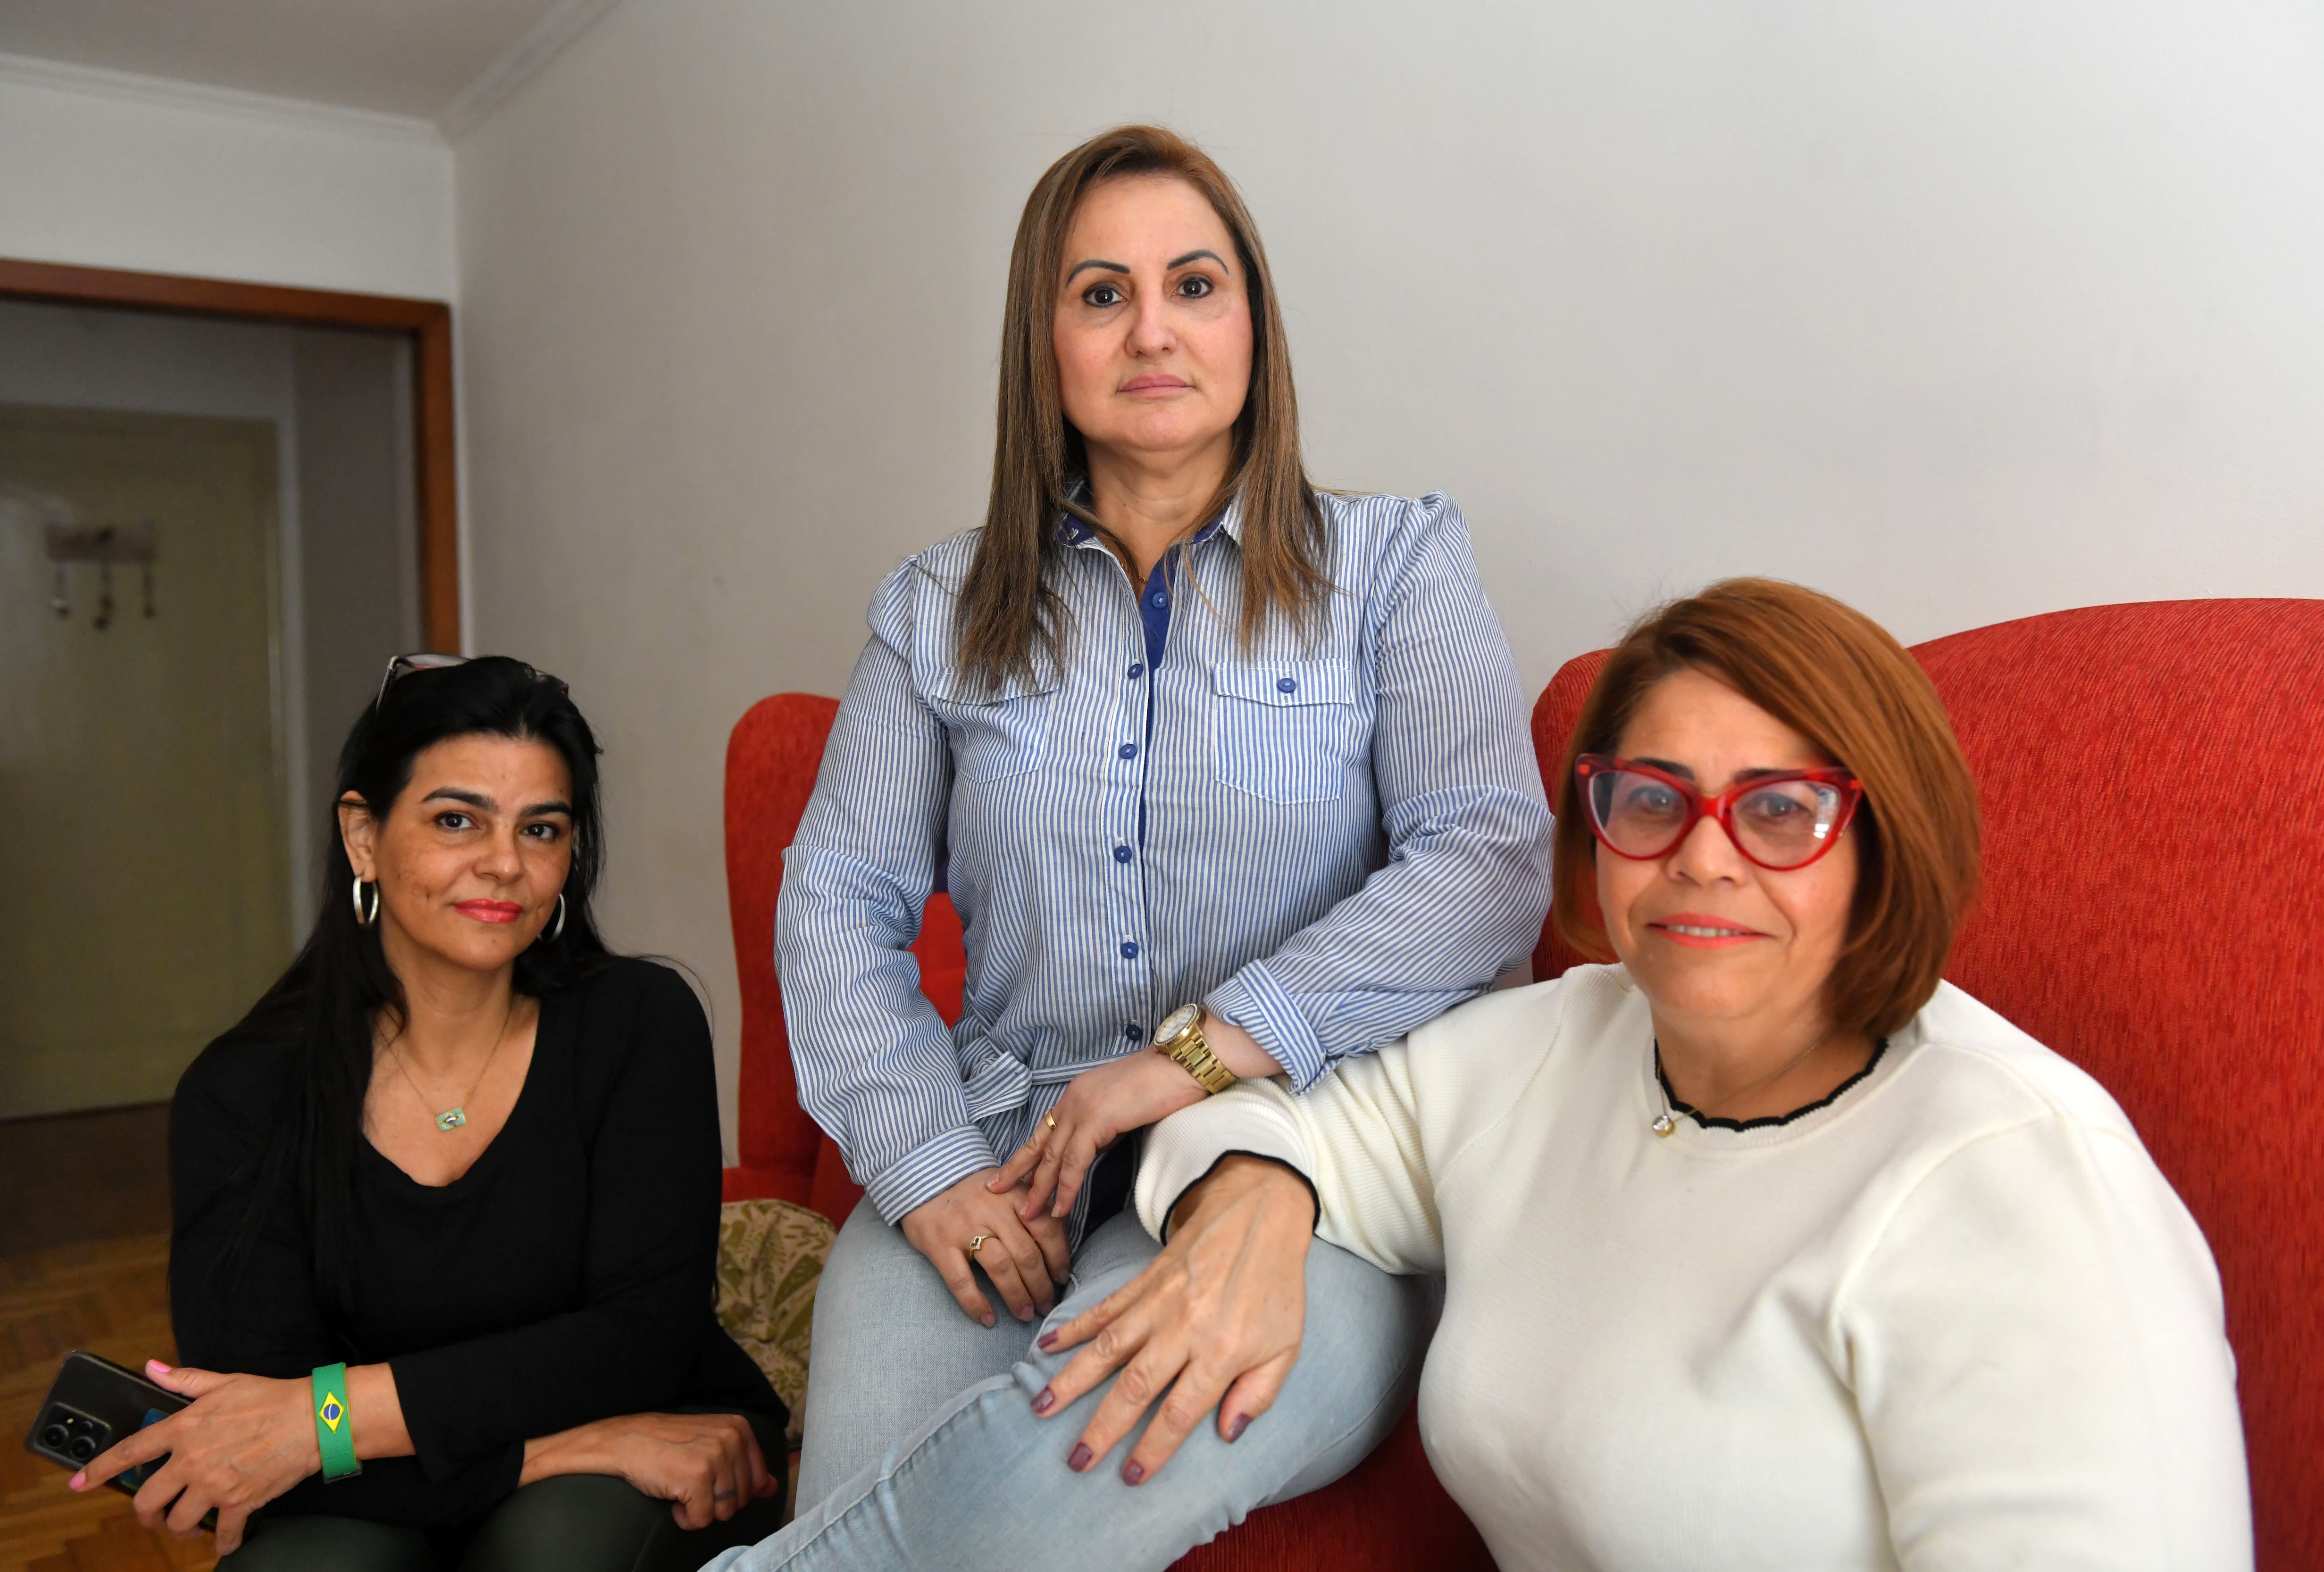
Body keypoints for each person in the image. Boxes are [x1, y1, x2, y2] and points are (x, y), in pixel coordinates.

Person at [749, 125, 1552, 1564]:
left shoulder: (1398, 564)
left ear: (1254, 321)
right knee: (859, 1492)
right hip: (1002, 1150)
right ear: (1042, 340)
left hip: (1292, 1153)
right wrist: (928, 1165)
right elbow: (836, 898)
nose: (1153, 329)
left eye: (1195, 283)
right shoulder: (937, 606)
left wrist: (1194, 1055)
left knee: (1044, 1486)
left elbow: (1488, 856)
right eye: (1101, 293)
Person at [1094, 578, 2253, 1570]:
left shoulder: (2022, 1183)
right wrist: (1254, 1188)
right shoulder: (1559, 1042)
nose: (1702, 856)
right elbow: (1255, 1118)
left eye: (1780, 810)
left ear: (1881, 844)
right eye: (1653, 799)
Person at [75, 654, 791, 1572]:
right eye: (457, 819)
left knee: (552, 1551)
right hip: (400, 1481)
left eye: (542, 827)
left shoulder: (638, 1024)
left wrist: (327, 1415)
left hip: (659, 1444)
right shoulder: (243, 1092)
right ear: (364, 836)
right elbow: (256, 1428)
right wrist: (549, 1450)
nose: (503, 863)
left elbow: (640, 1342)